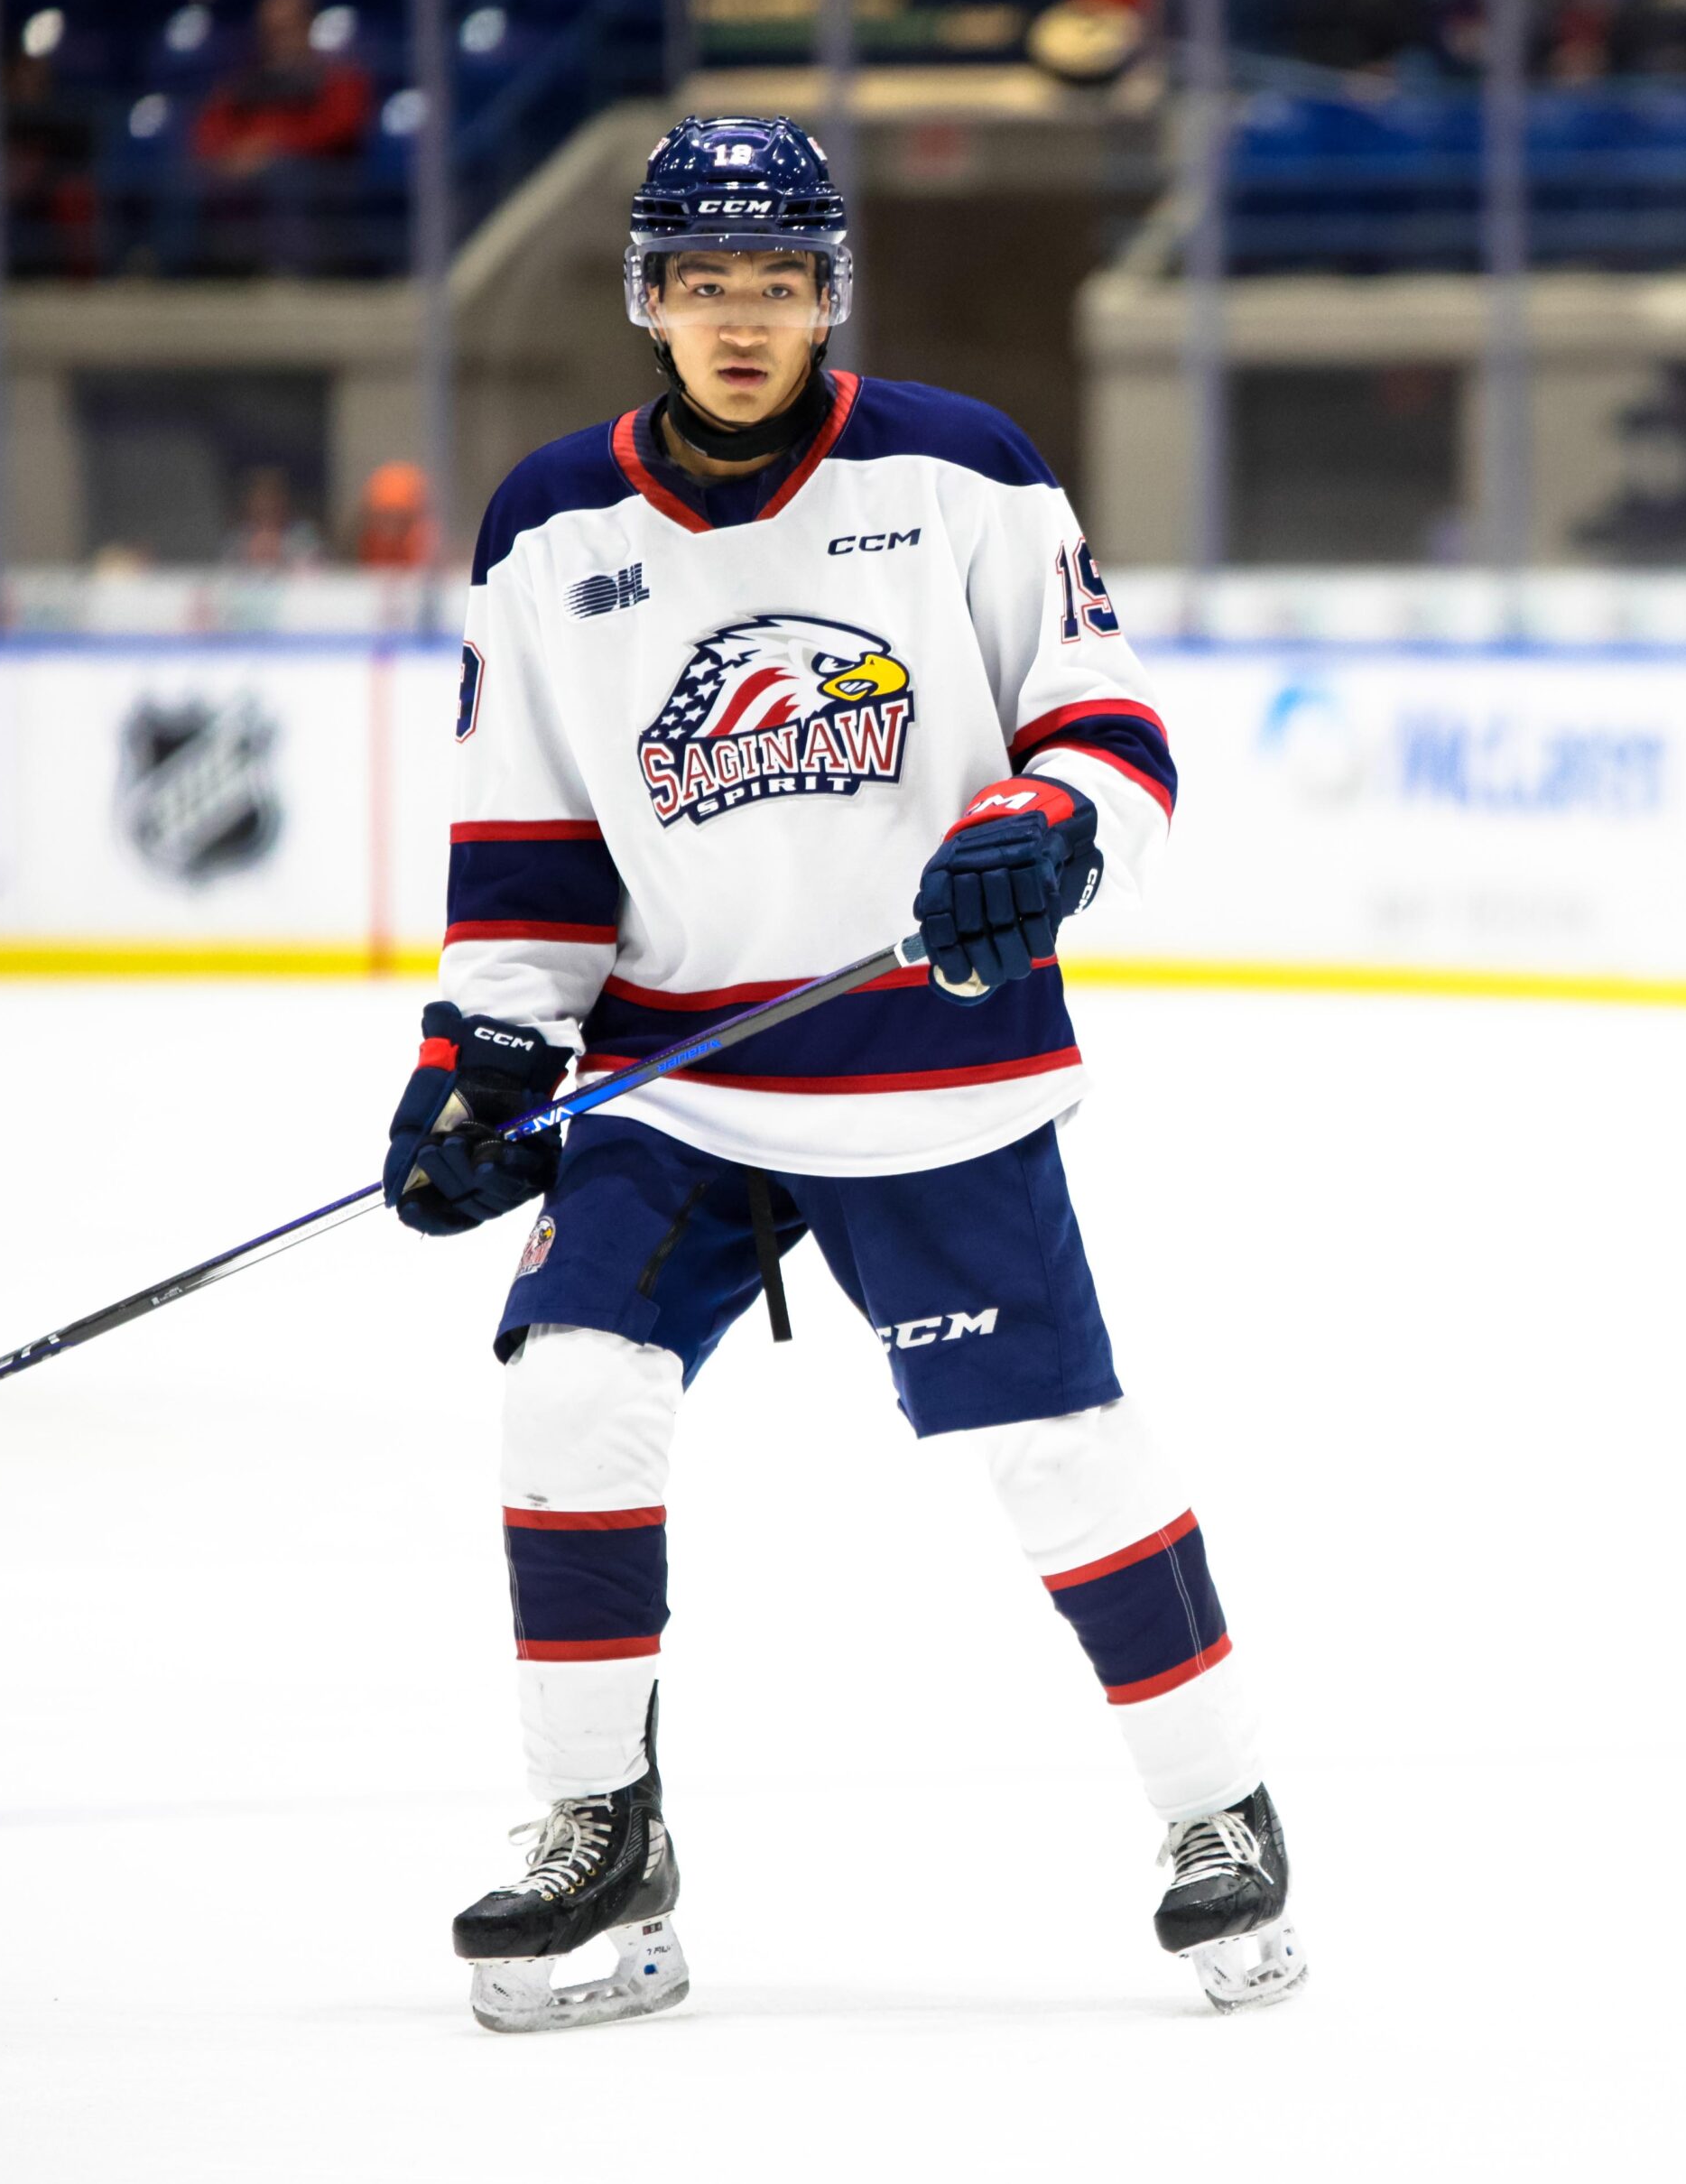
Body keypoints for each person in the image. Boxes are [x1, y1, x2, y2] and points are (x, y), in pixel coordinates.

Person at [381, 116, 1303, 2033]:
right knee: (570, 1395)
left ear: (830, 299)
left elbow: (1107, 725)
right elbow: (528, 840)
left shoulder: (961, 470)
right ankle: (600, 1827)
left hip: (927, 1064)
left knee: (1052, 1448)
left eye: (779, 283)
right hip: (673, 1072)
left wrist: (1045, 824)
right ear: (648, 298)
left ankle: (1218, 1810)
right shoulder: (552, 523)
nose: (741, 320)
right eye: (704, 283)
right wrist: (478, 1062)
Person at [187, 0, 370, 275]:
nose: (277, 39)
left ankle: (289, 273)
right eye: (270, 30)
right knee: (184, 176)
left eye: (286, 28)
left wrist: (273, 146)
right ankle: (172, 270)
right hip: (246, 176)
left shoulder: (337, 78)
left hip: (320, 185)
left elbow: (340, 126)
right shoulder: (244, 83)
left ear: (307, 26)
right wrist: (233, 155)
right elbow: (209, 130)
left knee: (285, 176)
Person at [221, 466, 321, 569]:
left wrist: (284, 551)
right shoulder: (237, 537)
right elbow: (223, 571)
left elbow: (320, 570)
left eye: (273, 497)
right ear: (249, 503)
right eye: (261, 498)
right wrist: (248, 555)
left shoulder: (303, 533)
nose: (268, 504)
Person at [354, 459, 434, 567]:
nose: (391, 526)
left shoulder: (422, 542)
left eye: (400, 517)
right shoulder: (370, 541)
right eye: (384, 516)